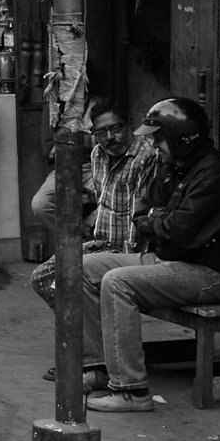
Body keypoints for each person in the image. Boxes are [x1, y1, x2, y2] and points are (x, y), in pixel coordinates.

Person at [76, 97, 220, 412]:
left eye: (159, 138)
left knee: (117, 283)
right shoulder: (173, 166)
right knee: (84, 268)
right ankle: (100, 367)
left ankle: (131, 390)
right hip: (174, 261)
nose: (154, 145)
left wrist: (157, 221)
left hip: (211, 274)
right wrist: (158, 218)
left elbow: (177, 232)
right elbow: (143, 211)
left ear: (182, 138)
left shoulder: (214, 174)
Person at [29, 99, 159, 310]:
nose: (109, 137)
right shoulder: (98, 154)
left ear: (130, 125)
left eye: (115, 129)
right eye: (101, 132)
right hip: (102, 246)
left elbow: (138, 216)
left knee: (79, 277)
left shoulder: (146, 157)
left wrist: (122, 267)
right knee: (42, 278)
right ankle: (90, 329)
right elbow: (104, 201)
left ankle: (95, 331)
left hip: (130, 254)